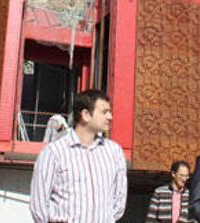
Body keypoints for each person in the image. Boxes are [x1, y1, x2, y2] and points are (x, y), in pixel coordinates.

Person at [30, 90, 127, 223]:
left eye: (110, 112)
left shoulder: (114, 152)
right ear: (86, 115)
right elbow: (39, 205)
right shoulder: (54, 153)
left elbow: (119, 201)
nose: (110, 117)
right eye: (104, 112)